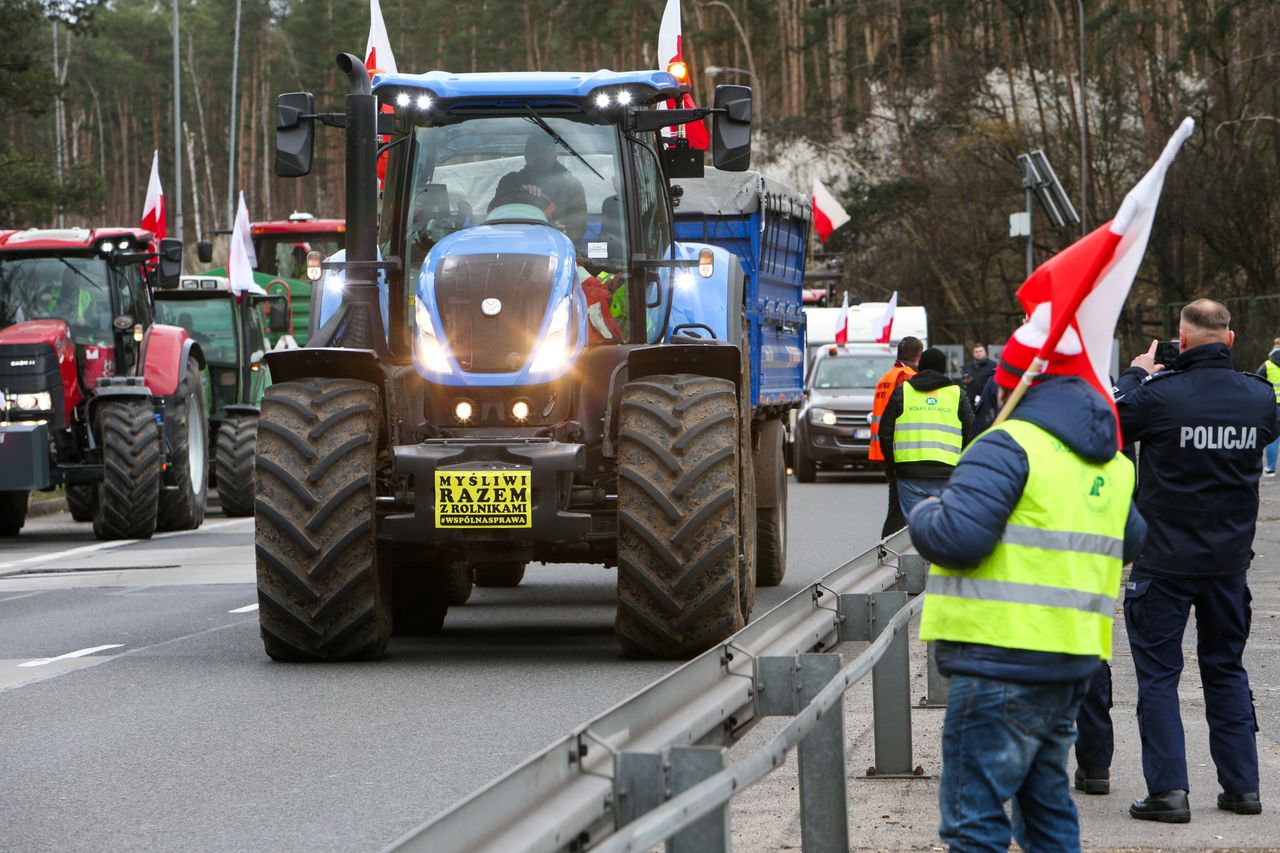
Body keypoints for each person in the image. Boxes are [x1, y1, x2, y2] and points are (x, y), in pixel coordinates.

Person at [909, 304, 1146, 851]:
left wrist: (925, 512)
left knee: (975, 820)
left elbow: (958, 540)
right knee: (1046, 810)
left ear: (1013, 383)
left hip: (998, 659)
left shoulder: (1006, 446)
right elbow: (1132, 539)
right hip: (1070, 663)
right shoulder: (1111, 463)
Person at [1113, 299, 1278, 822]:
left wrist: (1137, 375)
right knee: (1226, 670)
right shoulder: (1258, 397)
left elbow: (1108, 425)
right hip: (1228, 564)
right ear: (1229, 340)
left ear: (1179, 342)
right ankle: (1242, 788)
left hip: (1163, 562)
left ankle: (1169, 792)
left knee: (1159, 677)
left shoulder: (1159, 397)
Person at [879, 346, 973, 518]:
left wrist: (893, 465)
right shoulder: (956, 395)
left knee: (912, 530)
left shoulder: (903, 392)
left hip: (909, 473)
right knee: (944, 526)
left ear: (920, 366)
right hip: (948, 473)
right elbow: (972, 432)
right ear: (943, 368)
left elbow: (885, 433)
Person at [869, 336, 923, 537]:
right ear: (919, 355)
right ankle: (888, 550)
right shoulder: (907, 377)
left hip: (885, 448)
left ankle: (890, 549)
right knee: (898, 510)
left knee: (897, 506)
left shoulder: (886, 377)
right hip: (900, 449)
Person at [490, 132, 587, 243]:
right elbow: (495, 214)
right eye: (534, 150)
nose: (539, 155)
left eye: (545, 150)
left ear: (555, 155)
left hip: (555, 245)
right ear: (526, 155)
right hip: (512, 242)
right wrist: (519, 197)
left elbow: (578, 221)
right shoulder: (509, 181)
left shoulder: (571, 185)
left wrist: (560, 231)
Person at [1255, 338, 1280, 475]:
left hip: (1274, 405)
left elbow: (1257, 382)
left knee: (1274, 438)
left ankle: (1270, 468)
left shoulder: (1267, 365)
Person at [961, 342, 996, 407]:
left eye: (980, 351)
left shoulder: (993, 365)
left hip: (987, 400)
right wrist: (965, 381)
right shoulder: (968, 366)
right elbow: (962, 382)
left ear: (985, 352)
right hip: (970, 401)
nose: (978, 353)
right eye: (976, 352)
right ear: (973, 353)